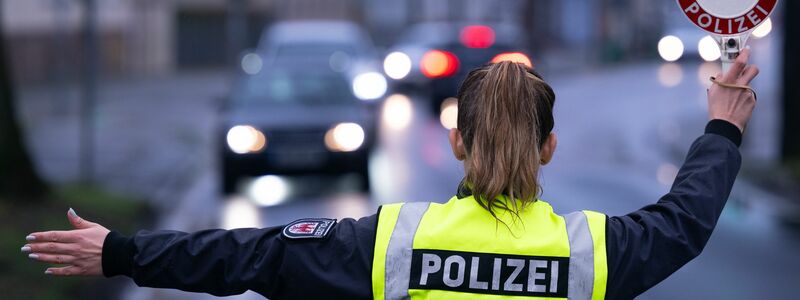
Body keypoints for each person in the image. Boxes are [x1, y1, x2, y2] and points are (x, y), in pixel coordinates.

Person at [20, 49, 759, 299]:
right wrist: (723, 122)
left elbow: (247, 256)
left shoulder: (392, 243)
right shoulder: (594, 254)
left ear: (461, 145)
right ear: (550, 149)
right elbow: (685, 221)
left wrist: (121, 252)